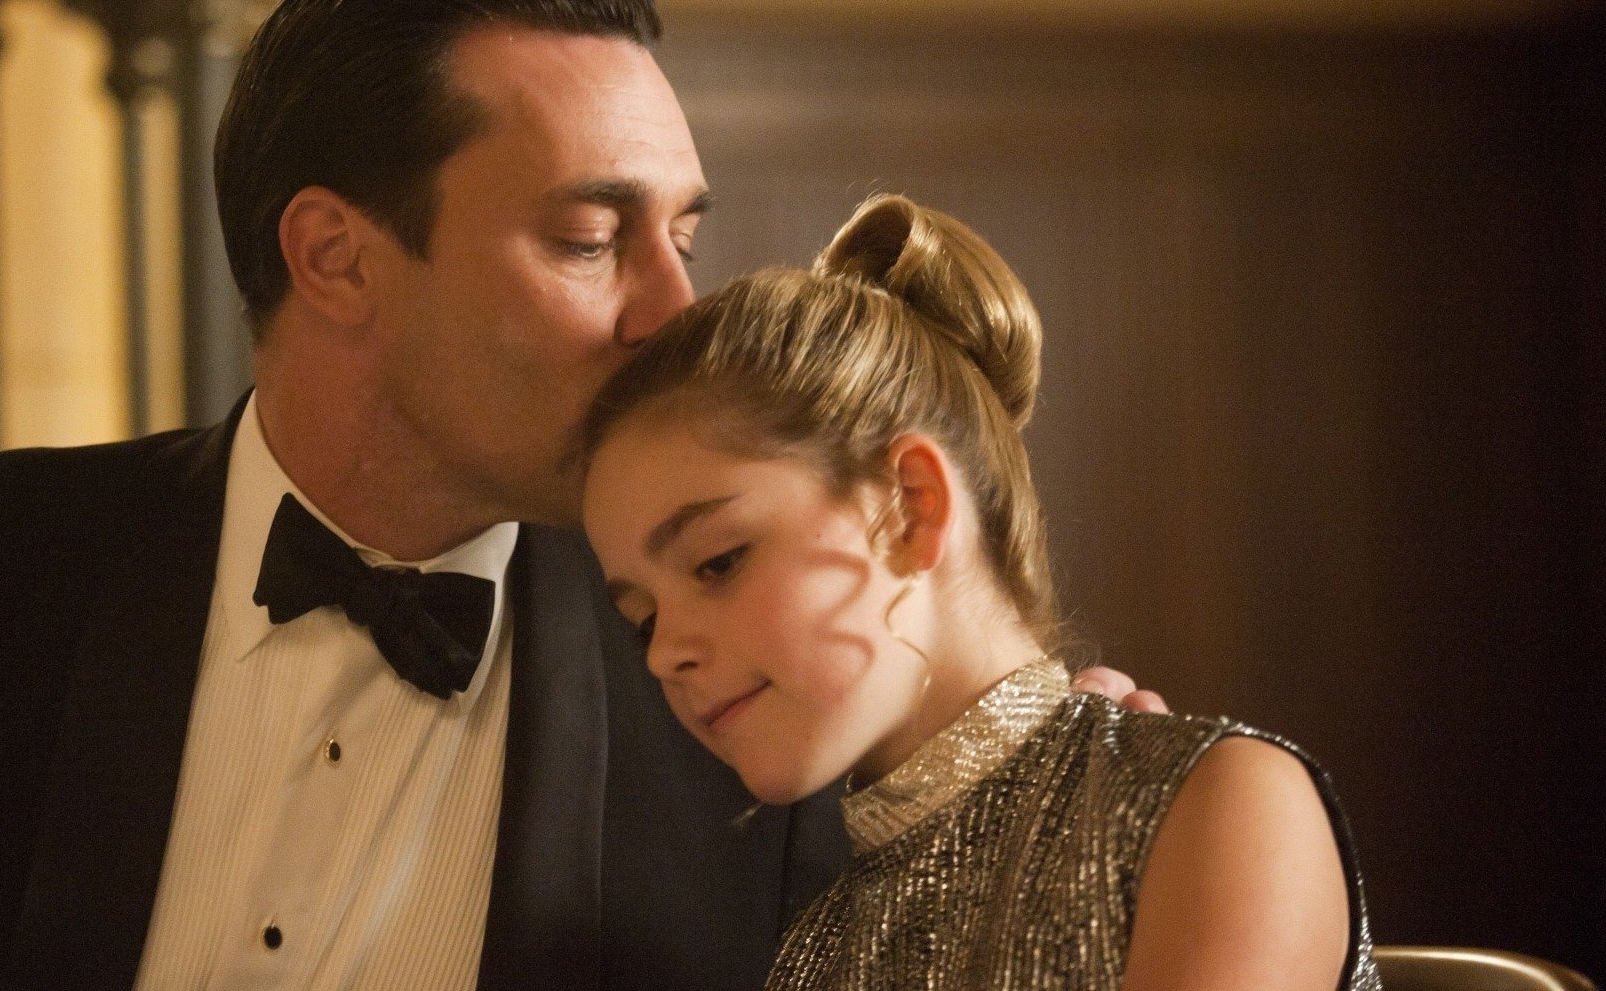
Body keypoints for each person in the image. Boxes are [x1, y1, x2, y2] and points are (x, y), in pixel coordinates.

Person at [0, 0, 1153, 991]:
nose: (673, 311)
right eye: (592, 238)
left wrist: (1043, 793)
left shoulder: (755, 691)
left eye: (683, 236)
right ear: (336, 258)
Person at [580, 194, 1381, 990]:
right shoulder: (812, 936)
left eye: (717, 562)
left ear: (912, 504)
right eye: (641, 619)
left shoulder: (1218, 804)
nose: (664, 654)